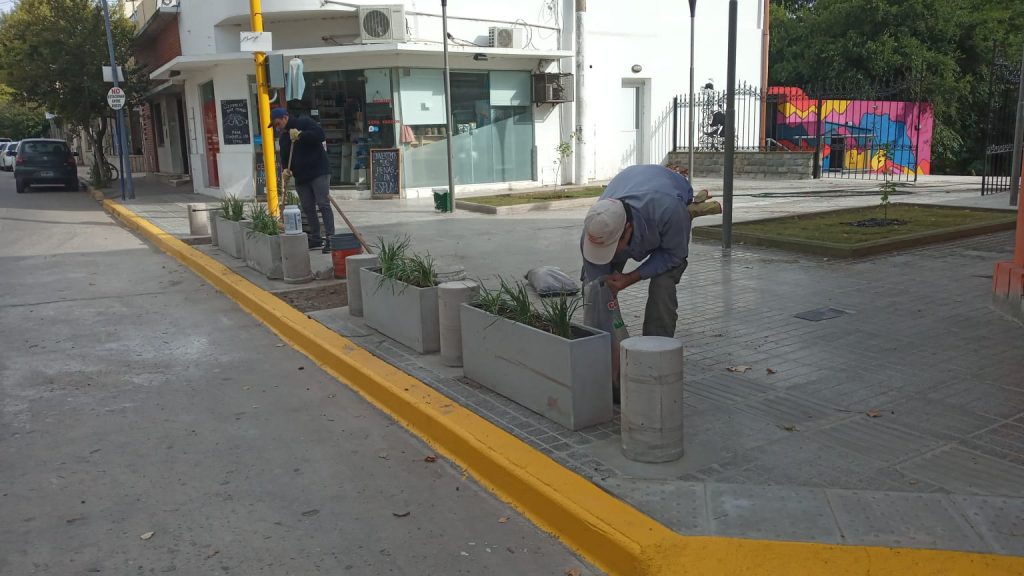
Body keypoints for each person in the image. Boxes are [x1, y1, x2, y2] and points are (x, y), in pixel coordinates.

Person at [581, 164, 694, 338]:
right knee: (596, 290)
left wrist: (629, 278)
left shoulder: (670, 210)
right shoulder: (595, 229)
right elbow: (598, 285)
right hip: (631, 181)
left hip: (665, 194)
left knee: (662, 285)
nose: (603, 253)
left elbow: (674, 254)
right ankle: (600, 344)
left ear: (627, 230)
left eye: (610, 247)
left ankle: (656, 348)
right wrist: (605, 298)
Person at [270, 108, 334, 251]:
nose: (277, 126)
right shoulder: (283, 138)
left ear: (285, 117)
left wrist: (301, 135)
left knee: (323, 204)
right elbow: (286, 159)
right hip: (301, 177)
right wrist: (286, 171)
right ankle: (316, 238)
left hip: (318, 171)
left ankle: (331, 238)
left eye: (277, 123)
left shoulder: (304, 122)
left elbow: (320, 135)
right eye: (275, 125)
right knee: (307, 207)